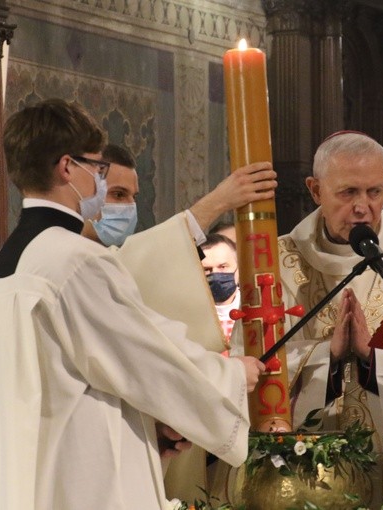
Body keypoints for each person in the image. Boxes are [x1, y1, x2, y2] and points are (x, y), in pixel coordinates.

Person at [0, 98, 266, 510]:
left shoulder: (9, 260)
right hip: (78, 479)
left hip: (23, 474)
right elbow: (145, 357)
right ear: (67, 167)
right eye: (98, 168)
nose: (101, 181)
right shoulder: (75, 261)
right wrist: (229, 376)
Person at [235, 131, 383, 508]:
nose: (363, 207)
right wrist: (327, 355)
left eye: (374, 192)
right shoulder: (276, 262)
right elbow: (248, 365)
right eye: (348, 193)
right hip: (306, 473)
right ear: (315, 190)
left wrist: (371, 359)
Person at [81, 143, 276, 502]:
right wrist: (216, 203)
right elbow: (142, 261)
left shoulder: (101, 264)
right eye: (118, 195)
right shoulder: (76, 267)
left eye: (133, 197)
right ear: (84, 190)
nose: (128, 208)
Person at [201, 233, 240, 346]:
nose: (215, 274)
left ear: (239, 268)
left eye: (223, 267)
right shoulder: (188, 316)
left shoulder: (252, 309)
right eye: (206, 269)